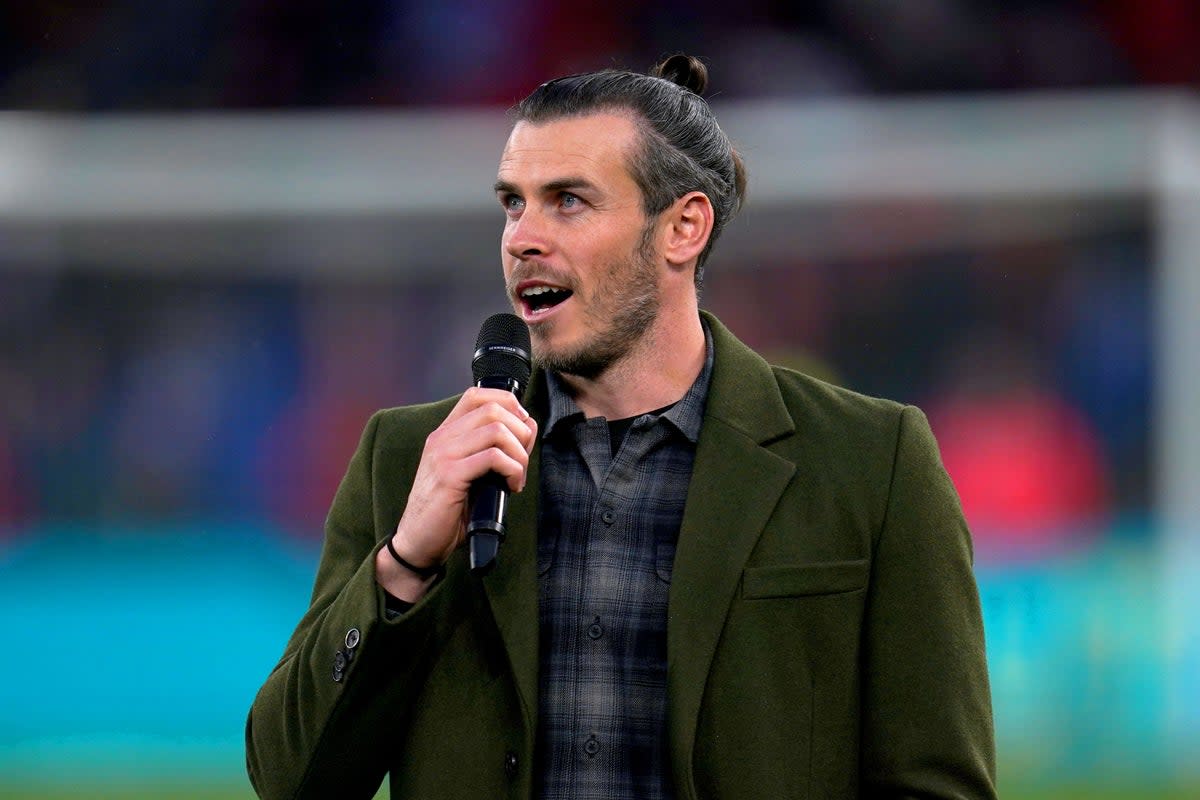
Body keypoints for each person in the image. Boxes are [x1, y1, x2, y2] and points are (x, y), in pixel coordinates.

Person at [246, 54, 996, 799]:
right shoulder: (411, 460)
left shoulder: (870, 461)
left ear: (683, 227)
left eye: (567, 201)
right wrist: (405, 564)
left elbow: (937, 784)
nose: (521, 237)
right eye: (513, 202)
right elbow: (292, 779)